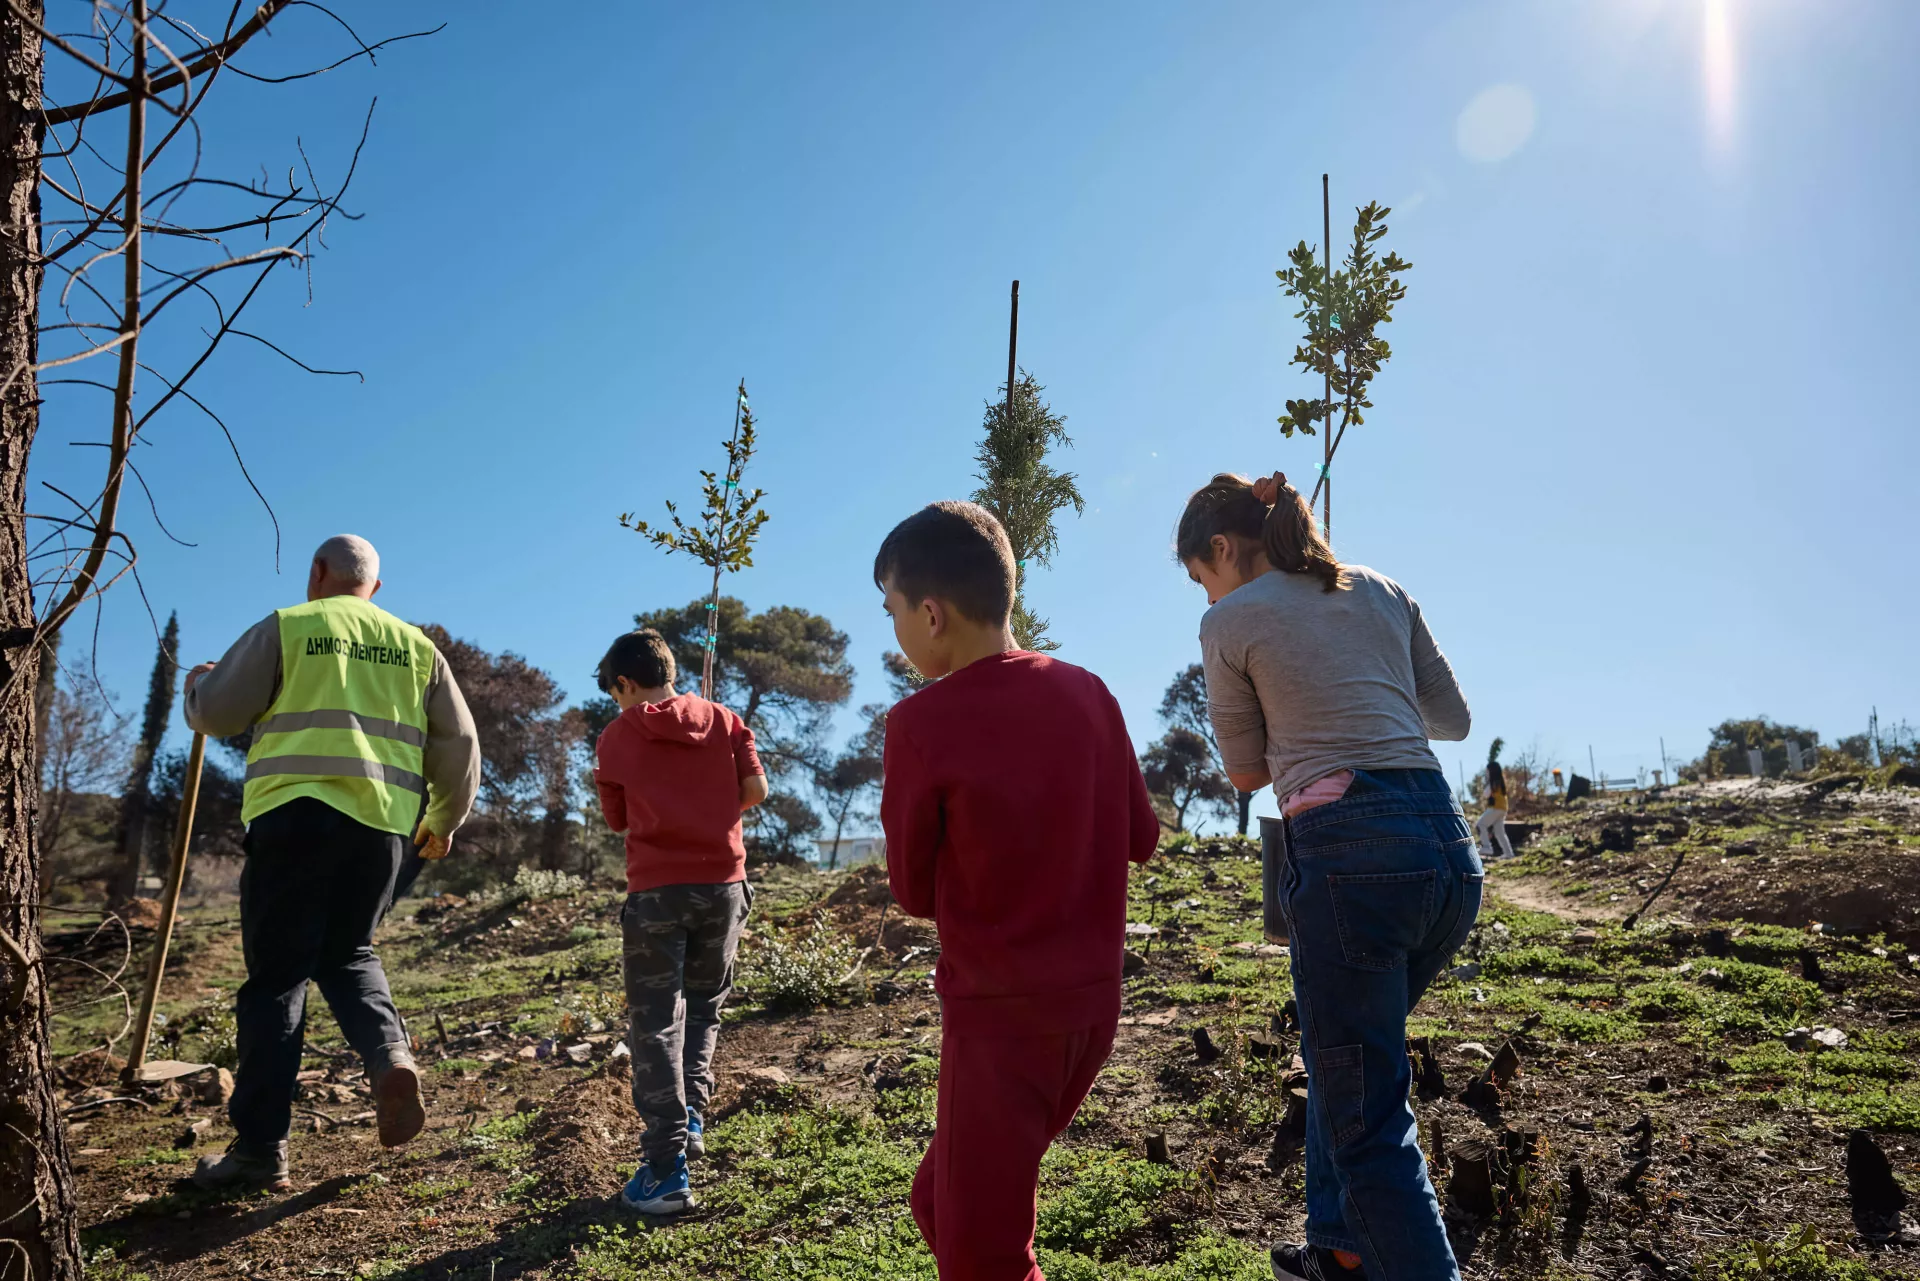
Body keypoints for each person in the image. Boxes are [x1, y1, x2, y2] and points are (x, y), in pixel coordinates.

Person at [1176, 473, 1475, 1281]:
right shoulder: (1381, 589)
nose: (1203, 592)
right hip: (1447, 852)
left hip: (1351, 862)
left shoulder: (1229, 620)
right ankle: (1340, 1248)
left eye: (1199, 576)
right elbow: (1452, 719)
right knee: (1342, 1055)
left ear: (1221, 549)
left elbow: (1243, 772)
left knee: (1367, 1112)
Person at [875, 501, 1161, 1281]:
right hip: (1090, 1014)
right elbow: (1141, 836)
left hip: (1000, 1022)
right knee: (940, 1198)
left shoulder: (920, 723)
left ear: (930, 614)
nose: (894, 628)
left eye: (892, 609)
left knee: (984, 1255)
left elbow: (910, 887)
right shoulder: (1090, 693)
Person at [183, 534, 480, 1191]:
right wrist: (441, 822)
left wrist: (197, 688)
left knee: (277, 981)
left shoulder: (289, 625)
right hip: (381, 831)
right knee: (350, 952)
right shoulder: (416, 647)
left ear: (318, 572)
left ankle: (261, 1149)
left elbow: (217, 713)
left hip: (293, 818)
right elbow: (460, 744)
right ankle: (390, 1054)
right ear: (376, 587)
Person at [591, 628, 768, 1215]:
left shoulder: (615, 737)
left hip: (655, 894)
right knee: (704, 1006)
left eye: (614, 692)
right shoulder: (724, 719)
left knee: (655, 1023)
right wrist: (709, 807)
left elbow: (617, 822)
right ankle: (691, 1115)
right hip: (723, 886)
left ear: (624, 683)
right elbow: (756, 789)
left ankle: (666, 1167)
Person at [1476, 747, 1514, 861]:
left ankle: (1487, 847)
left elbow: (1486, 794)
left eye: (1487, 771)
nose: (1486, 773)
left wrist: (1486, 782)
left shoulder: (1492, 783)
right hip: (1503, 809)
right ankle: (1509, 853)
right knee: (1499, 833)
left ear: (1490, 772)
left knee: (1480, 824)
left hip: (1495, 808)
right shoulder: (1500, 783)